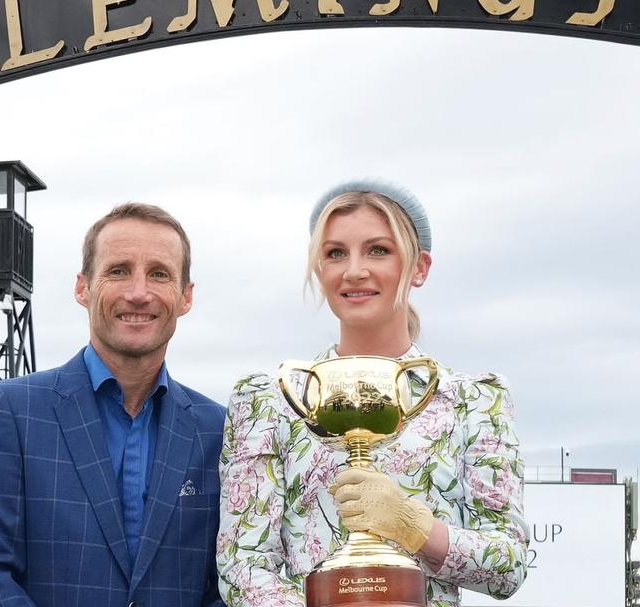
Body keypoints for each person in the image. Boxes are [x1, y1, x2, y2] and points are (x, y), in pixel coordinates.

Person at [216, 180, 528, 607]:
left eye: (378, 250)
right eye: (335, 253)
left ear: (419, 268)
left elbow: (507, 566)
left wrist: (414, 526)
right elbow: (243, 565)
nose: (355, 270)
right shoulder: (268, 401)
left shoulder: (474, 400)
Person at [0, 202, 225, 607]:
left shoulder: (218, 429)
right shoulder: (9, 411)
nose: (138, 293)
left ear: (185, 296)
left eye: (159, 274)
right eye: (118, 271)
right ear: (83, 287)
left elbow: (227, 585)